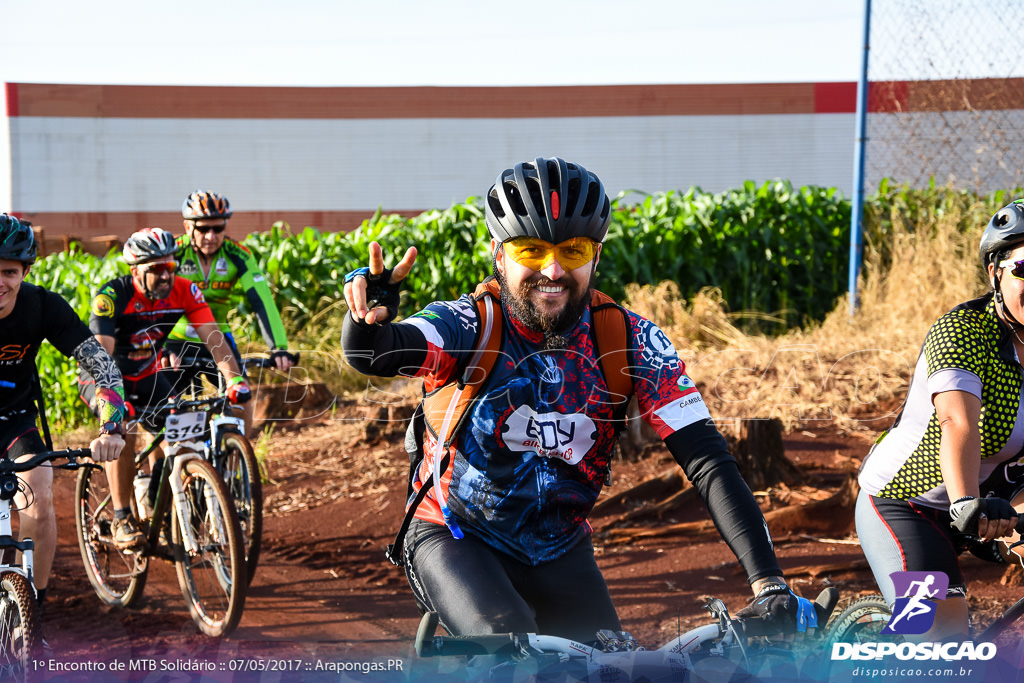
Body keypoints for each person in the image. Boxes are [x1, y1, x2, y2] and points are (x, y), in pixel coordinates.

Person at [341, 157, 811, 642]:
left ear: (596, 255)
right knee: (509, 645)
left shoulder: (628, 342)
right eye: (530, 249)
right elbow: (373, 353)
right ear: (499, 256)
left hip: (559, 549)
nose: (553, 269)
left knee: (613, 665)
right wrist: (366, 321)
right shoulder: (470, 325)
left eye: (573, 249)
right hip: (456, 534)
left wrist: (768, 583)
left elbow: (708, 460)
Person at [857, 199, 1024, 641]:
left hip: (994, 497)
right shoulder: (963, 331)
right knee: (939, 641)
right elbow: (957, 422)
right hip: (905, 503)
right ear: (996, 273)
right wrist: (967, 502)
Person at [80, 227, 251, 549]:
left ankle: (160, 496)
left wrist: (234, 379)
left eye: (170, 267)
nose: (164, 276)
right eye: (155, 269)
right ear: (135, 272)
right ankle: (121, 517)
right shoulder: (112, 296)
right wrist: (113, 407)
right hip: (104, 377)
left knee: (184, 430)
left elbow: (214, 338)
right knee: (122, 430)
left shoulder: (185, 290)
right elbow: (100, 356)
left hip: (146, 373)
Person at [0, 213, 126, 611]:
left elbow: (101, 366)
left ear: (24, 272)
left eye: (8, 271)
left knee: (38, 488)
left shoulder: (43, 307)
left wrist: (111, 427)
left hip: (13, 419)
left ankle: (31, 606)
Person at [166, 190, 296, 436]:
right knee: (164, 410)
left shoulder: (238, 255)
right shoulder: (174, 252)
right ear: (187, 226)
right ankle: (156, 472)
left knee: (241, 396)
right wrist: (162, 346)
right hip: (176, 338)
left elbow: (262, 301)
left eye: (217, 228)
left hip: (218, 339)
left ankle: (240, 462)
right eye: (203, 229)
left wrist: (278, 346)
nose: (211, 236)